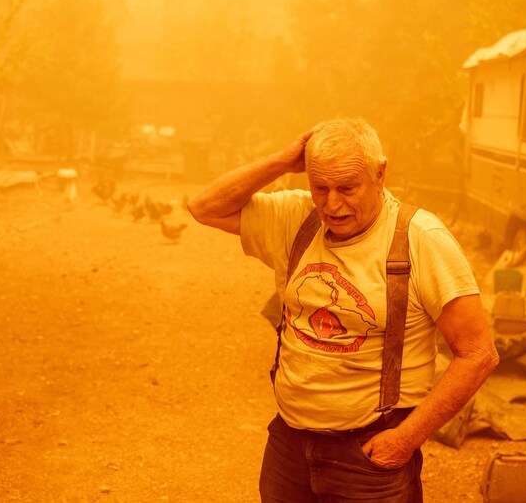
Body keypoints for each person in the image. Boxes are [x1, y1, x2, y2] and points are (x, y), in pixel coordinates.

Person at [187, 118, 499, 502]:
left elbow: (477, 353)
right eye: (320, 188)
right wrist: (281, 162)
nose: (332, 205)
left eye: (347, 188)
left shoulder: (420, 239)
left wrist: (405, 440)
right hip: (289, 444)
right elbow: (204, 207)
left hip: (369, 457)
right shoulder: (296, 217)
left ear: (380, 174)